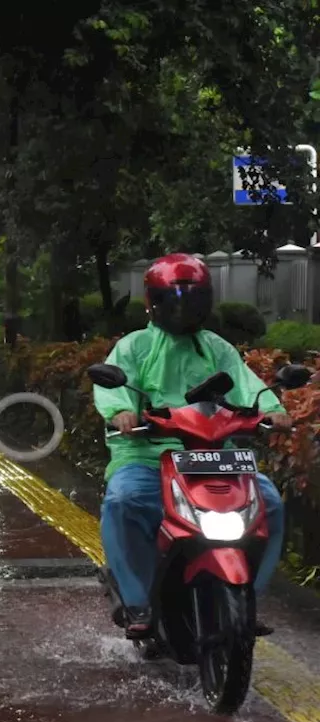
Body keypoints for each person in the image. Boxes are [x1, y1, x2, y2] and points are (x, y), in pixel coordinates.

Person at [94, 253, 289, 639]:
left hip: (216, 455)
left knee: (270, 504)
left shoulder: (217, 348)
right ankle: (139, 602)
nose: (182, 308)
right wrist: (122, 413)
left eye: (193, 299)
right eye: (173, 298)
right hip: (148, 455)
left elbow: (248, 385)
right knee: (123, 502)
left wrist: (272, 409)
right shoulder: (134, 347)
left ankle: (246, 597)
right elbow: (112, 390)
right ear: (153, 301)